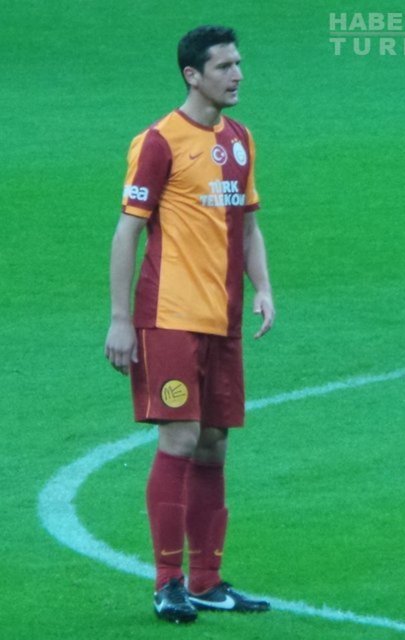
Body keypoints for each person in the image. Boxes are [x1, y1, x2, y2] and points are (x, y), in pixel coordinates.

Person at [105, 25, 275, 624]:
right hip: (169, 317)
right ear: (192, 75)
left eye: (239, 63)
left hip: (222, 320)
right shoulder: (159, 141)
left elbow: (248, 224)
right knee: (179, 438)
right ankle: (167, 583)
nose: (237, 75)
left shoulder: (240, 140)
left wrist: (263, 288)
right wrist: (120, 319)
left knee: (213, 443)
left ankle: (206, 581)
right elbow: (127, 230)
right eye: (225, 66)